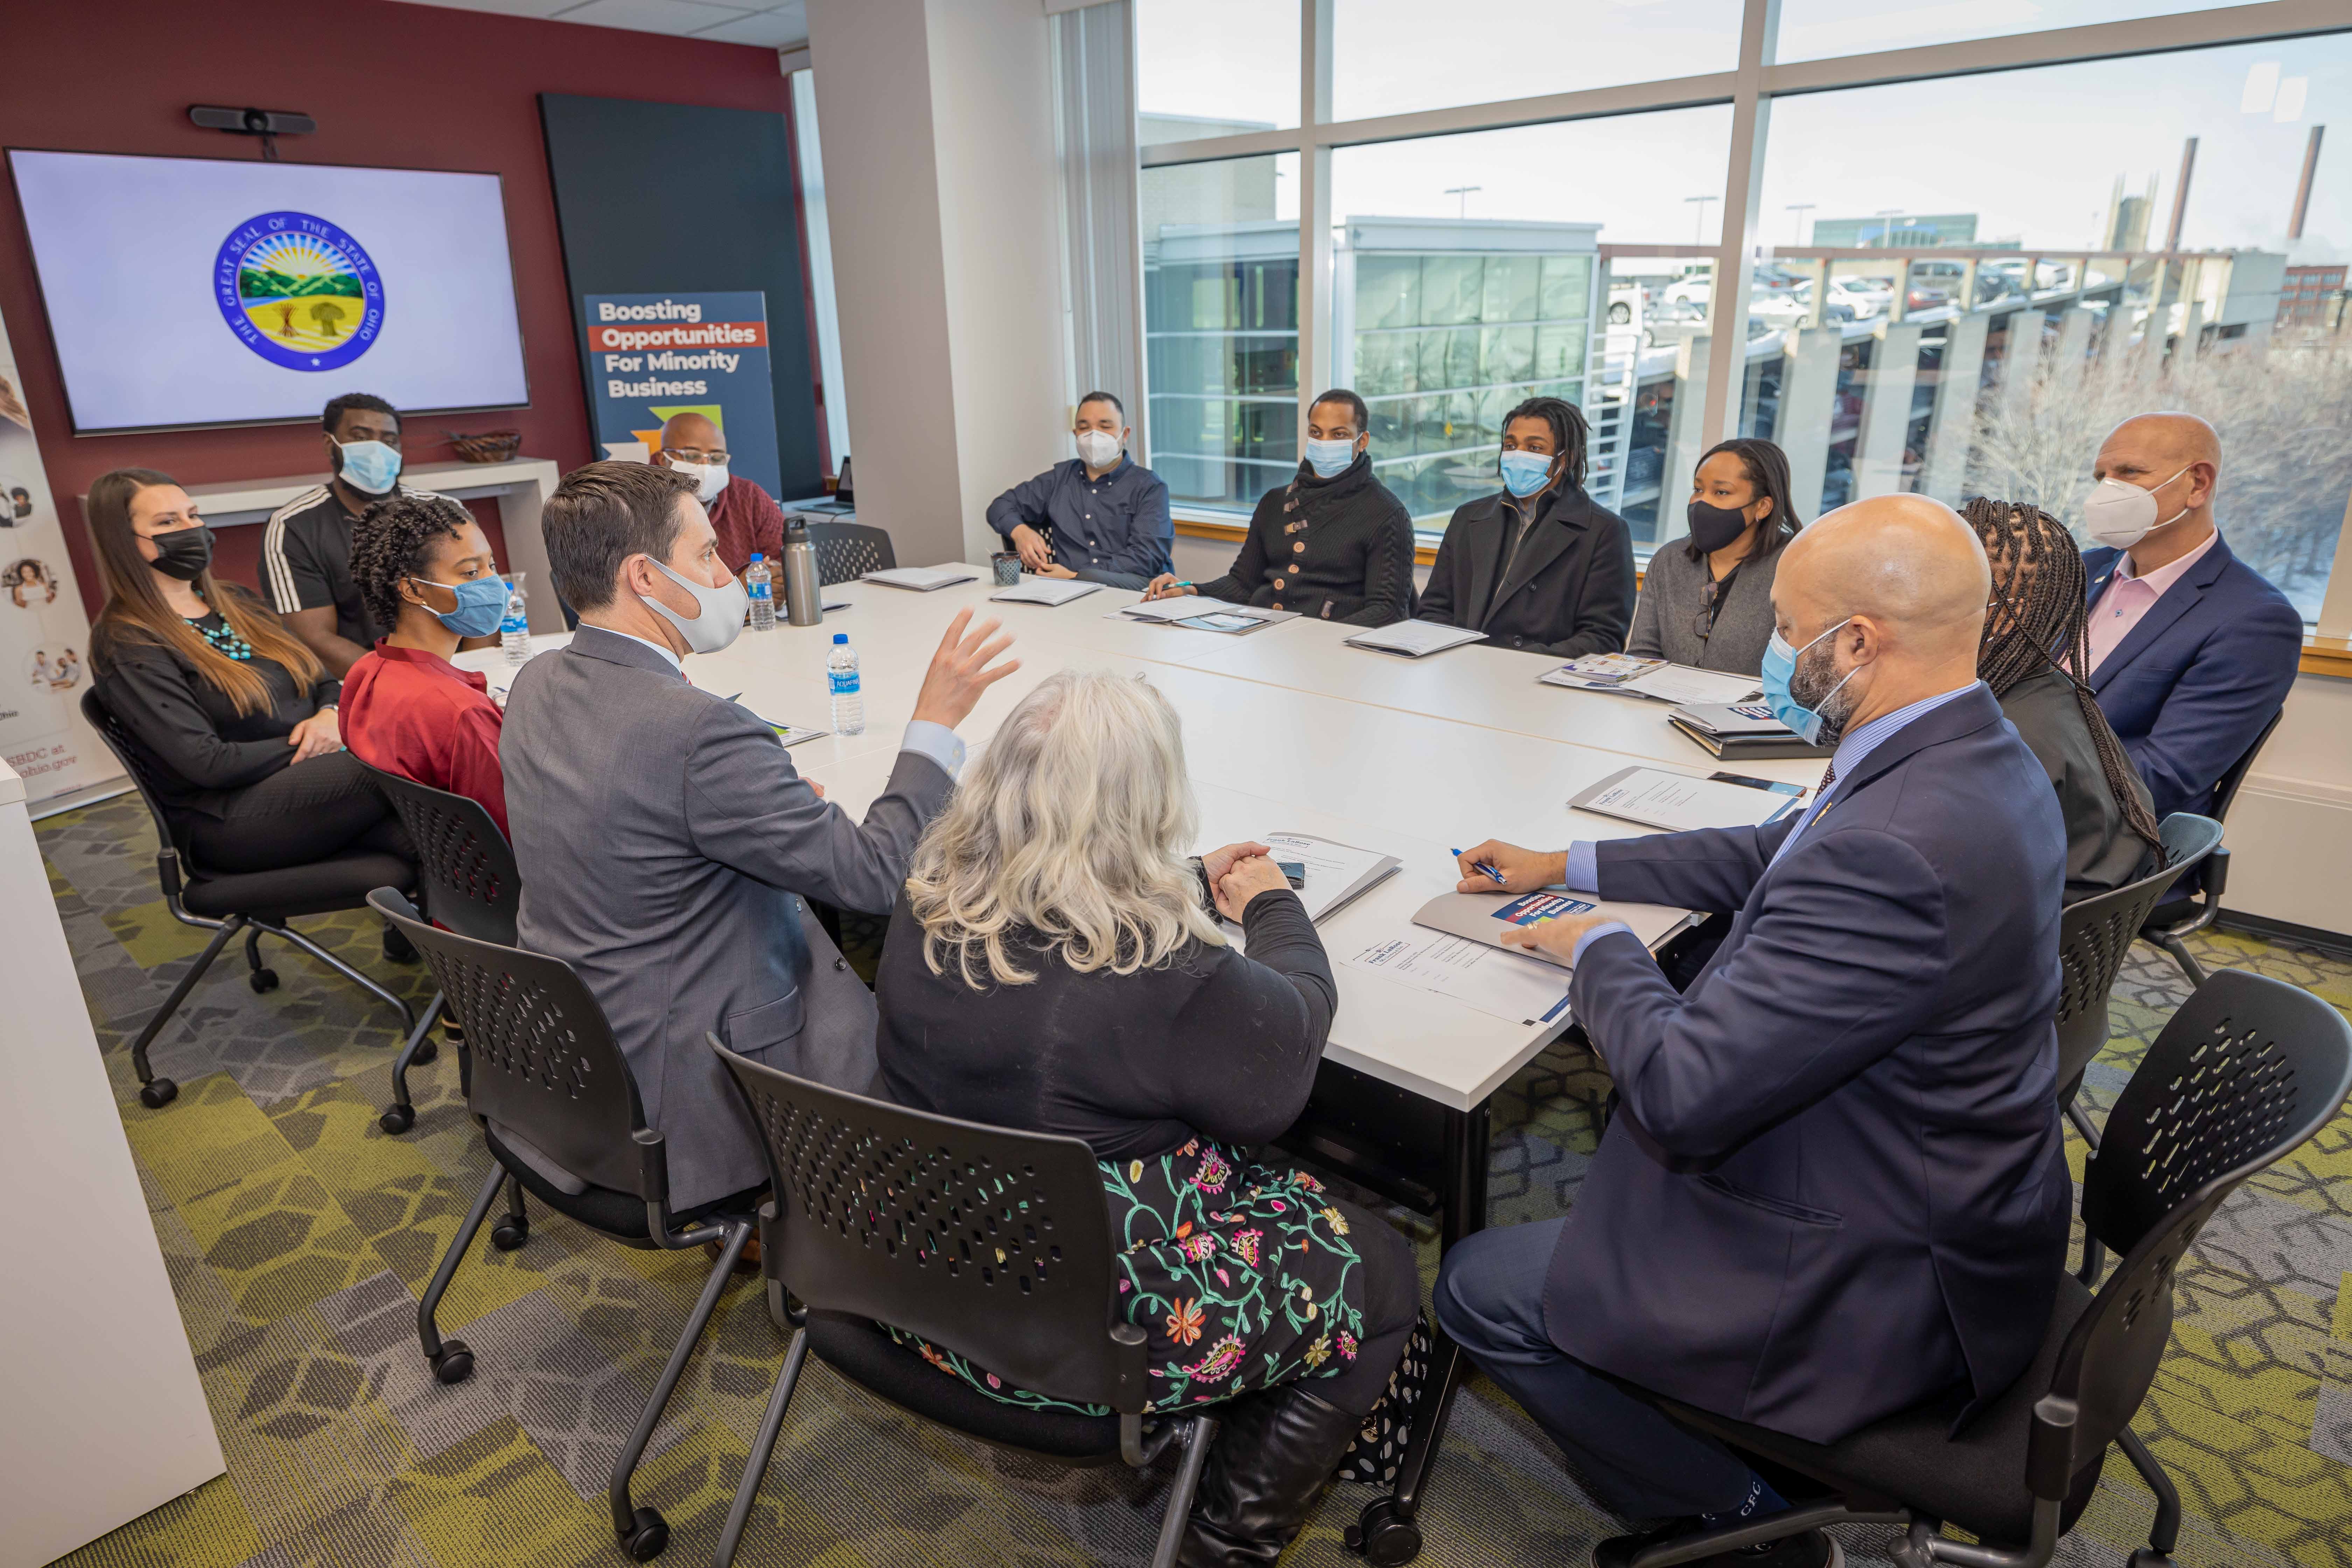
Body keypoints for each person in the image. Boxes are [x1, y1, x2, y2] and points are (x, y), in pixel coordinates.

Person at [1438, 495, 2071, 1568]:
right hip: (1942, 1181)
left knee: (1474, 1283)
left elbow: (1683, 1089)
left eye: (1786, 628)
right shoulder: (1966, 746)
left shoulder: (1900, 843)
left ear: (1858, 643)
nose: (1775, 652)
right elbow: (1771, 850)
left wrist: (1600, 946)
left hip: (1876, 1263)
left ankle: (1745, 1520)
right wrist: (1569, 865)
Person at [875, 669, 1418, 1566]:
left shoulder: (925, 894)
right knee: (1384, 1266)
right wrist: (1274, 905)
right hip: (1078, 1330)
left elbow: (1062, 935)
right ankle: (1225, 1543)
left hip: (922, 1266)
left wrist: (1179, 889)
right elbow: (1285, 1057)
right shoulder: (1157, 968)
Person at [500, 460, 1017, 1213]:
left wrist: (750, 808)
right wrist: (934, 726)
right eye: (705, 554)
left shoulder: (539, 679)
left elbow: (628, 815)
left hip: (576, 1055)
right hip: (691, 1084)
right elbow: (875, 877)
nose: (726, 571)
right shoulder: (698, 731)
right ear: (645, 577)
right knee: (971, 1040)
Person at [85, 468, 417, 923]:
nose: (192, 530)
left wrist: (329, 714)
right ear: (125, 541)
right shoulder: (128, 644)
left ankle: (466, 963)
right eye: (167, 522)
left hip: (315, 789)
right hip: (230, 821)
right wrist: (318, 741)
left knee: (426, 839)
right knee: (389, 753)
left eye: (194, 514)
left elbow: (320, 678)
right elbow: (206, 762)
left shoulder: (238, 603)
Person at [2078, 412, 2302, 820]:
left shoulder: (2254, 620)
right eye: (2101, 477)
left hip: (2105, 851)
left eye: (2129, 472)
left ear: (2198, 483)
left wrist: (2009, 792)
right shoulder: (2077, 571)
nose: (2108, 491)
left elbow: (2163, 777)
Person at [1966, 497, 2163, 900]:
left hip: (2035, 928)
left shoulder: (1999, 738)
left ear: (2003, 614)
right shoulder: (2051, 688)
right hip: (2069, 909)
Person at [1142, 389, 1415, 626]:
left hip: (1330, 653)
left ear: (1363, 441)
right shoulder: (1275, 502)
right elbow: (1242, 583)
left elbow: (1387, 611)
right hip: (1262, 635)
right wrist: (1191, 590)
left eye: (1339, 434)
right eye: (1316, 433)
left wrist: (1320, 639)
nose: (1325, 443)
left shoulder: (1387, 514)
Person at [341, 492, 513, 837]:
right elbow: (519, 828)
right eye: (470, 572)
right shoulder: (459, 711)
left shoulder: (366, 672)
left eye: (490, 565)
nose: (492, 583)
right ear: (413, 590)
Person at [1415, 396, 1635, 657]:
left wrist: (1518, 664)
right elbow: (1434, 610)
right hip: (1462, 673)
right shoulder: (1468, 517)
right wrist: (1458, 658)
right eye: (1511, 445)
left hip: (1541, 684)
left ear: (1566, 458)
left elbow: (1602, 639)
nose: (1517, 455)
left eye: (1535, 448)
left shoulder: (1604, 531)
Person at [262, 392, 421, 677]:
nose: (376, 451)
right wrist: (401, 683)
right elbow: (314, 639)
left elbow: (479, 605)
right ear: (329, 444)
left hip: (454, 671)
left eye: (388, 441)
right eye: (361, 437)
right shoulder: (294, 527)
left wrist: (470, 676)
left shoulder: (439, 512)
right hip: (363, 684)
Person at [1627, 438, 1802, 674]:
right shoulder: (1669, 560)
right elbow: (1642, 654)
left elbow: (1802, 670)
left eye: (1721, 492)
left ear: (1763, 506)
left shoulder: (1796, 568)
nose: (1702, 502)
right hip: (1665, 707)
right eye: (1698, 490)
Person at [985, 391, 1172, 589]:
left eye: (1105, 426)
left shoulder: (1149, 487)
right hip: (1066, 593)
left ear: (1124, 434)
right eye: (1085, 428)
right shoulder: (1060, 478)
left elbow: (1145, 559)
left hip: (1133, 591)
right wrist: (1020, 532)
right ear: (1076, 435)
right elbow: (1000, 506)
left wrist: (1078, 577)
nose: (1094, 435)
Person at [653, 410, 789, 578]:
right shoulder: (638, 502)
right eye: (691, 456)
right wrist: (737, 593)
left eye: (716, 458)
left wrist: (775, 580)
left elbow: (784, 558)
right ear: (662, 459)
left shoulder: (750, 497)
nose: (705, 466)